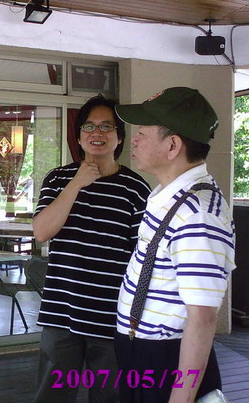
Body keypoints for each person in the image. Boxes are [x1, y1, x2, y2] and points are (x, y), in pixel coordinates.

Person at [114, 87, 235, 403]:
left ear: (172, 145)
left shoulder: (198, 214)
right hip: (143, 353)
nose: (134, 140)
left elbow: (202, 317)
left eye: (142, 133)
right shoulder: (170, 197)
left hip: (166, 359)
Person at [32, 95, 151, 403]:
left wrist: (137, 315)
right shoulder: (58, 179)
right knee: (52, 396)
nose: (97, 133)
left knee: (110, 396)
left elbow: (143, 259)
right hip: (61, 312)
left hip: (112, 317)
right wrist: (77, 183)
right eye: (89, 126)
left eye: (106, 126)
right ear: (78, 135)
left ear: (119, 136)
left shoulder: (136, 188)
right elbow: (42, 232)